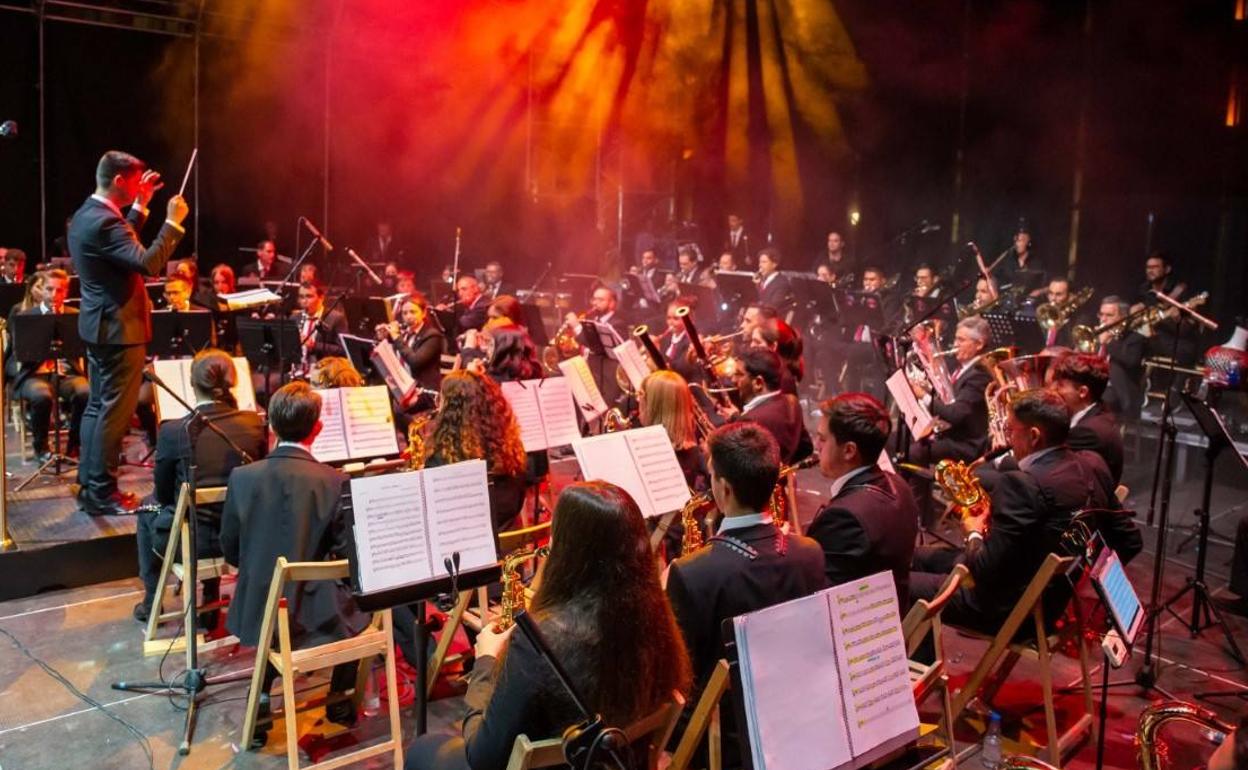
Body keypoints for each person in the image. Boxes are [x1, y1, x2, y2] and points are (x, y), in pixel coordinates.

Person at [405, 481, 691, 770]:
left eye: (556, 535)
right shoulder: (655, 619)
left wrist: (486, 662)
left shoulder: (539, 642)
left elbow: (482, 758)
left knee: (423, 749)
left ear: (570, 553)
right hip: (615, 762)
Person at [908, 390, 1117, 654]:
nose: (1007, 439)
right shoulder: (1093, 465)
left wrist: (973, 531)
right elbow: (1127, 538)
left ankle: (916, 675)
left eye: (1011, 431)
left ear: (1033, 436)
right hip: (1045, 605)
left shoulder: (1023, 484)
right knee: (917, 557)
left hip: (1005, 611)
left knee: (899, 585)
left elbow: (984, 569)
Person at [221, 381, 370, 748]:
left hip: (260, 605)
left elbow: (230, 547)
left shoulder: (243, 478)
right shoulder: (337, 481)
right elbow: (347, 556)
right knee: (360, 603)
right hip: (319, 613)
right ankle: (340, 704)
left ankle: (260, 705)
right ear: (317, 429)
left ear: (270, 426)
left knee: (277, 624)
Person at [665, 423, 824, 763]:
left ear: (723, 489)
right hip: (796, 724)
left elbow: (678, 675)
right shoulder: (810, 553)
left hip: (721, 743)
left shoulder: (693, 573)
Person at [70, 150, 188, 515]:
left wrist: (142, 205)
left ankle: (90, 484)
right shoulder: (106, 222)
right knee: (113, 414)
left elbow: (119, 247)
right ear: (119, 181)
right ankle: (102, 494)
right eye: (136, 182)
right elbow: (149, 263)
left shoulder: (89, 215)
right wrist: (173, 224)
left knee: (97, 409)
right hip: (119, 329)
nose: (141, 186)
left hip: (100, 325)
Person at [133, 349, 267, 624]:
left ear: (193, 385)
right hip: (241, 539)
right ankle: (210, 597)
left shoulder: (173, 431)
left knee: (147, 507)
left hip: (193, 545)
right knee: (218, 507)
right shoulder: (254, 424)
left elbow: (163, 494)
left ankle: (151, 601)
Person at [806, 393, 918, 605]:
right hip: (892, 606)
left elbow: (819, 596)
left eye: (822, 439)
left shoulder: (845, 517)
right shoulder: (900, 484)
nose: (815, 445)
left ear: (849, 450)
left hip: (864, 626)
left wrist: (789, 553)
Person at [906, 316, 992, 525]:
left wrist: (924, 396)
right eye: (955, 339)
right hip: (953, 432)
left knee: (916, 451)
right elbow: (950, 403)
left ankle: (921, 516)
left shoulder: (979, 375)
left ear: (978, 344)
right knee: (900, 439)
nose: (954, 345)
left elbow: (956, 414)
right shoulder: (962, 369)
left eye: (961, 340)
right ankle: (908, 503)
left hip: (967, 444)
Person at [6, 269, 89, 463]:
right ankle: (41, 447)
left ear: (66, 291)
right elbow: (16, 354)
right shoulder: (26, 316)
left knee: (85, 391)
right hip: (33, 374)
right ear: (41, 290)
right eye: (49, 289)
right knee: (41, 395)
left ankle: (73, 447)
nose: (54, 295)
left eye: (59, 290)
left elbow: (81, 351)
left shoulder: (74, 315)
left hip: (65, 374)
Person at [719, 348, 812, 464]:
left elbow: (738, 468)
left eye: (739, 374)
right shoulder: (792, 401)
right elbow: (806, 448)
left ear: (758, 383)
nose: (733, 380)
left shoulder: (749, 422)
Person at [1050, 353, 1124, 484]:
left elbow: (1048, 468)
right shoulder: (1100, 411)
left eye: (1060, 385)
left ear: (1082, 392)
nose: (1052, 389)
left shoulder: (1087, 432)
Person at [377, 294, 446, 394]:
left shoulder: (432, 335)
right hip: (404, 389)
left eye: (413, 312)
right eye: (404, 313)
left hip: (424, 391)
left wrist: (396, 336)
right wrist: (384, 338)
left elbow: (415, 362)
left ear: (423, 313)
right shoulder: (404, 333)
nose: (408, 317)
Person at [1096, 297, 1146, 419]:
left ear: (1123, 317)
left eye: (1109, 315)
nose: (1103, 319)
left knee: (1100, 401)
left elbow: (1131, 361)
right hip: (1094, 386)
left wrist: (1108, 343)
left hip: (1118, 392)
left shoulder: (1135, 339)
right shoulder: (1095, 334)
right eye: (1101, 314)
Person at [293, 279, 347, 371]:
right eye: (301, 297)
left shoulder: (336, 318)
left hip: (323, 371)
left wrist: (314, 345)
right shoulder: (295, 318)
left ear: (321, 297)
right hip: (298, 370)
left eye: (309, 297)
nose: (304, 301)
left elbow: (343, 350)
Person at [755, 247, 794, 318]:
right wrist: (758, 285)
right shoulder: (761, 279)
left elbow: (773, 306)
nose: (760, 265)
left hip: (772, 319)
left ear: (774, 264)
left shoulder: (782, 283)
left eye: (764, 262)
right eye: (759, 262)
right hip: (759, 315)